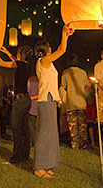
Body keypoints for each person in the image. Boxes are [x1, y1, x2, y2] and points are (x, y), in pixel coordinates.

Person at [33, 24, 74, 178]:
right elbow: (62, 50)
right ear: (47, 50)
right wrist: (64, 33)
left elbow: (59, 50)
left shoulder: (47, 62)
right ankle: (39, 167)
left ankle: (47, 164)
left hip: (50, 100)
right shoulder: (44, 61)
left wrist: (66, 36)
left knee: (50, 134)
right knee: (44, 134)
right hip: (45, 100)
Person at [0, 45, 32, 164]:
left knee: (16, 128)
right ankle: (25, 155)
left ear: (20, 55)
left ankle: (16, 157)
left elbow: (1, 63)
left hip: (19, 100)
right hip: (26, 99)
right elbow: (15, 60)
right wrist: (5, 51)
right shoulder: (26, 66)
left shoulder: (19, 65)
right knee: (25, 129)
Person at [59, 54, 88, 150]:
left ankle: (75, 144)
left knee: (73, 126)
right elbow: (86, 85)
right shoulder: (83, 72)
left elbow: (63, 86)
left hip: (71, 103)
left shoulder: (66, 73)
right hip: (81, 103)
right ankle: (83, 144)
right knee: (82, 125)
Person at [27, 74, 39, 146]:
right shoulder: (41, 80)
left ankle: (34, 141)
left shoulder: (30, 80)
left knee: (31, 125)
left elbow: (28, 90)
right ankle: (37, 141)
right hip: (39, 105)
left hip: (32, 105)